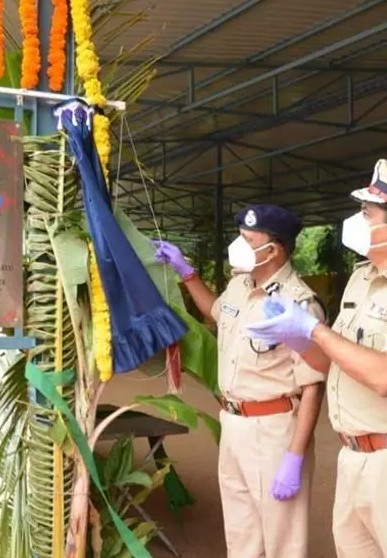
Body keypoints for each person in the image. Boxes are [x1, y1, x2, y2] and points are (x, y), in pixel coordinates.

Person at [244, 158, 387, 558]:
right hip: (353, 456)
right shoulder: (362, 278)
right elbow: (333, 362)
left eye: (366, 214)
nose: (357, 220)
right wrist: (297, 339)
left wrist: (315, 330)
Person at [152, 204, 326, 558]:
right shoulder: (239, 285)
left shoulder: (299, 304)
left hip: (274, 429)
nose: (238, 244)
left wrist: (294, 455)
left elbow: (313, 385)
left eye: (248, 239)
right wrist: (187, 273)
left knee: (282, 541)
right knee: (242, 534)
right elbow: (216, 312)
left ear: (273, 249)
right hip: (233, 423)